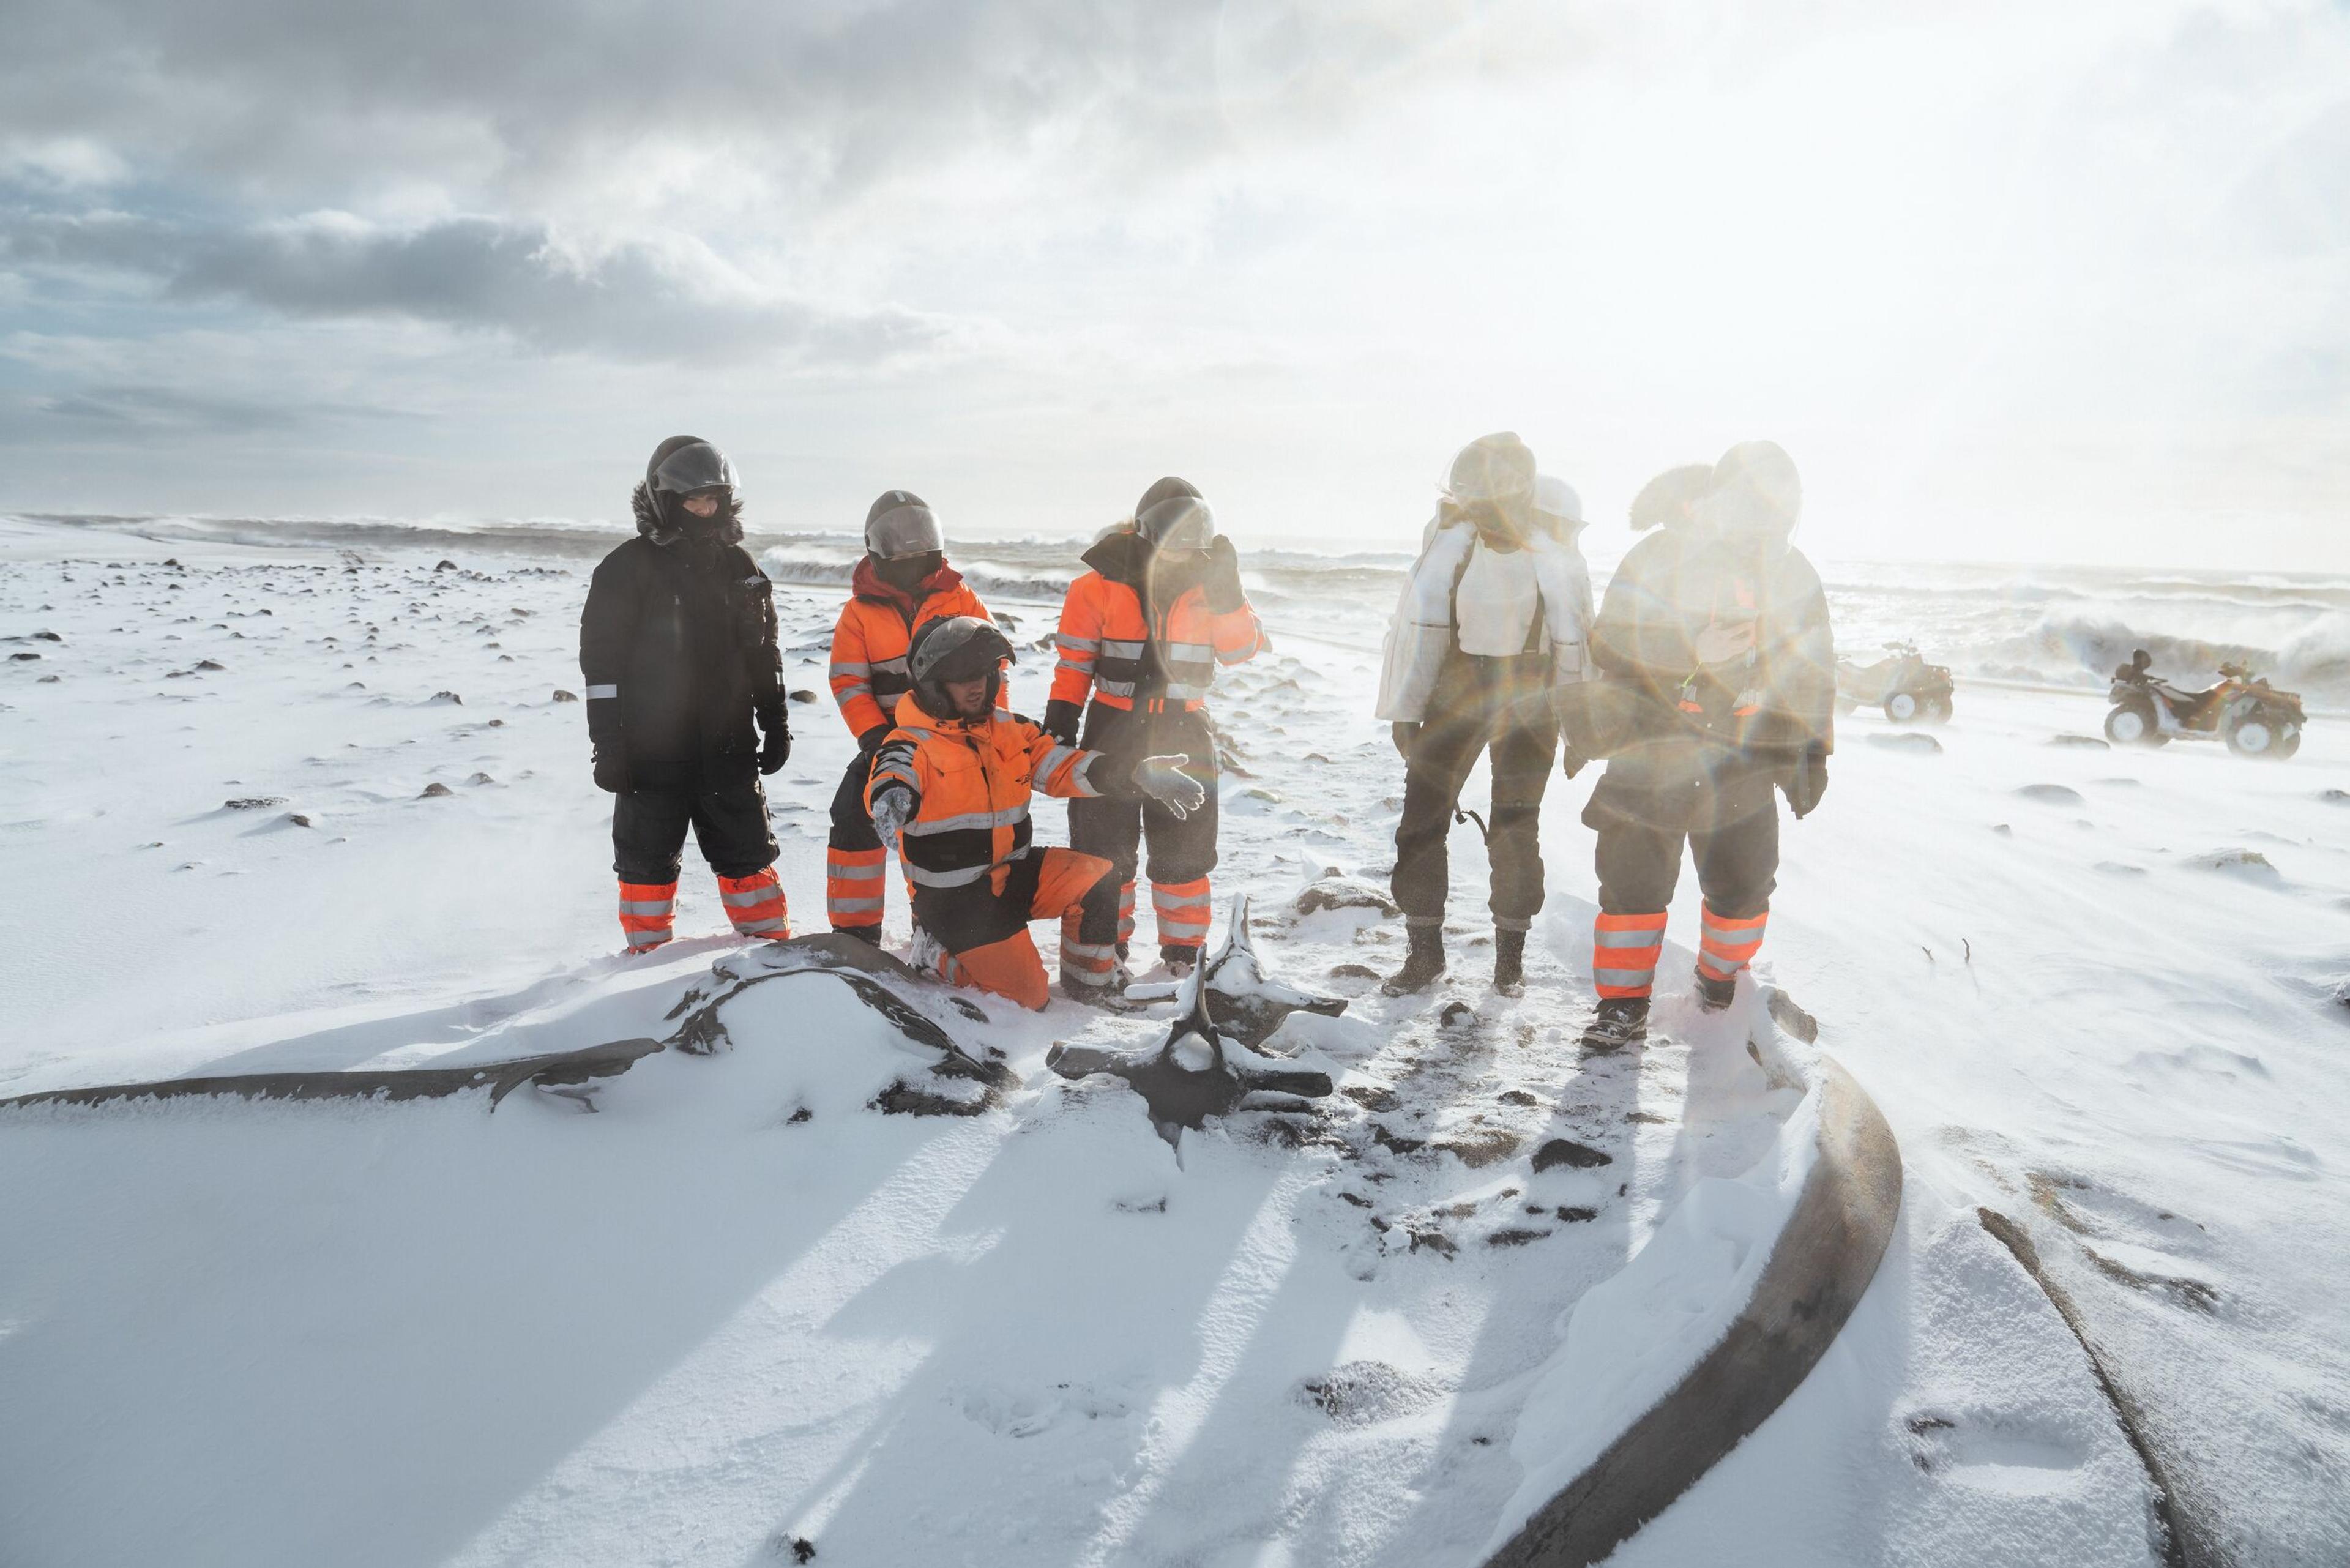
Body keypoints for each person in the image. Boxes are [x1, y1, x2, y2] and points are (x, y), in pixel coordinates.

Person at [1578, 439, 1835, 1050]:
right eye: (1759, 497)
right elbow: (1611, 643)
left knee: (1744, 888)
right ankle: (1621, 1009)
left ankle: (1721, 988)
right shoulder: (1660, 556)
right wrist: (1693, 650)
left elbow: (1816, 669)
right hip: (1653, 751)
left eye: (1783, 500)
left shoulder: (1793, 573)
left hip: (1743, 759)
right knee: (1632, 887)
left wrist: (1813, 756)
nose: (1771, 512)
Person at [864, 616, 1209, 1010]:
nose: (977, 685)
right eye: (962, 676)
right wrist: (891, 796)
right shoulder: (911, 741)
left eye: (983, 672)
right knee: (1028, 996)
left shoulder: (1013, 730)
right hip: (954, 900)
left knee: (1098, 876)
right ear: (933, 684)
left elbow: (1064, 766)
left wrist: (1134, 773)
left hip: (1012, 874)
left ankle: (1089, 985)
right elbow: (892, 770)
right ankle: (934, 951)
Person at [1375, 433, 1597, 996]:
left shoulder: (1557, 556)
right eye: (1471, 487)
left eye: (1490, 487)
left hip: (1529, 701)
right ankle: (1424, 956)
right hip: (1456, 691)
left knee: (1515, 831)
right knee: (1421, 825)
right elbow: (1418, 632)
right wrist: (1406, 711)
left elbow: (1578, 647)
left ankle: (1509, 964)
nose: (1479, 499)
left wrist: (1581, 730)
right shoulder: (1449, 544)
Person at [1048, 477, 1267, 999]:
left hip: (1186, 729)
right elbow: (1074, 664)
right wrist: (1059, 726)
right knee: (1105, 852)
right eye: (1178, 531)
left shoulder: (1214, 586)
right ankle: (1108, 953)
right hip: (1112, 729)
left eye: (1197, 532)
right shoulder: (1095, 585)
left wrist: (1230, 594)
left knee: (1185, 855)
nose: (1188, 542)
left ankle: (1181, 959)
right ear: (1147, 531)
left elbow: (1242, 651)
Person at [580, 436, 792, 952]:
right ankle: (643, 967)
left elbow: (765, 653)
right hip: (649, 756)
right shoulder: (624, 569)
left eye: (713, 499)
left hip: (729, 748)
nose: (705, 509)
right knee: (645, 868)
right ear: (665, 500)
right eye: (694, 499)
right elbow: (600, 669)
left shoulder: (741, 566)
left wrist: (777, 721)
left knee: (750, 861)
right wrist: (608, 747)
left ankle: (770, 961)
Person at [824, 490, 993, 943]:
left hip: (953, 742)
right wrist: (875, 736)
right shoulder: (858, 613)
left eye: (919, 537)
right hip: (888, 741)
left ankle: (939, 931)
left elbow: (993, 667)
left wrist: (984, 727)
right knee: (853, 815)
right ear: (877, 548)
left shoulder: (962, 599)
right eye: (900, 540)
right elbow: (848, 683)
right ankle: (854, 937)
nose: (912, 548)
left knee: (948, 836)